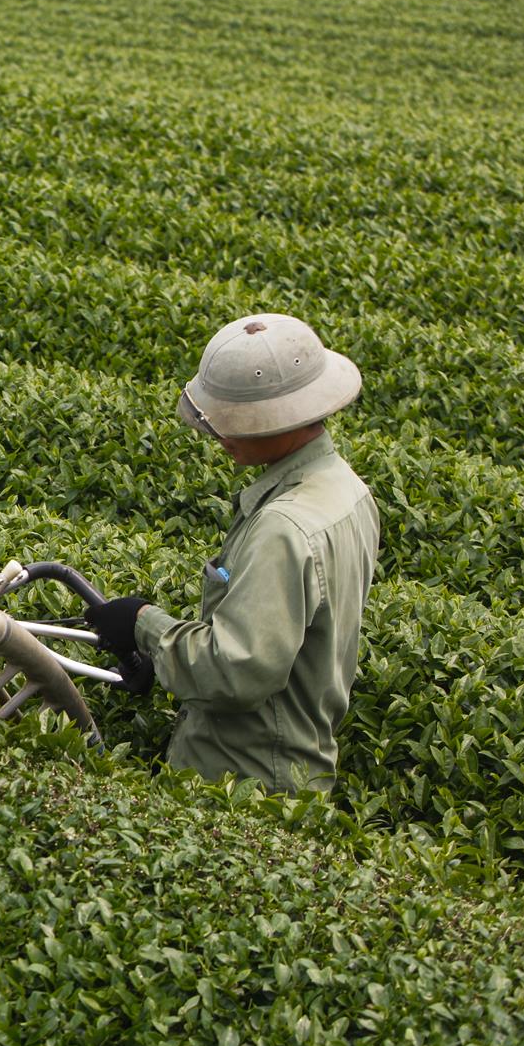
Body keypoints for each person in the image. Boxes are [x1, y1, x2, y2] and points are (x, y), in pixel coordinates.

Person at [84, 315, 377, 795]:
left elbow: (236, 672)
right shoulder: (347, 490)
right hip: (297, 764)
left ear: (282, 417)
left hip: (245, 781)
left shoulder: (283, 527)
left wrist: (144, 625)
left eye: (235, 420)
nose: (219, 434)